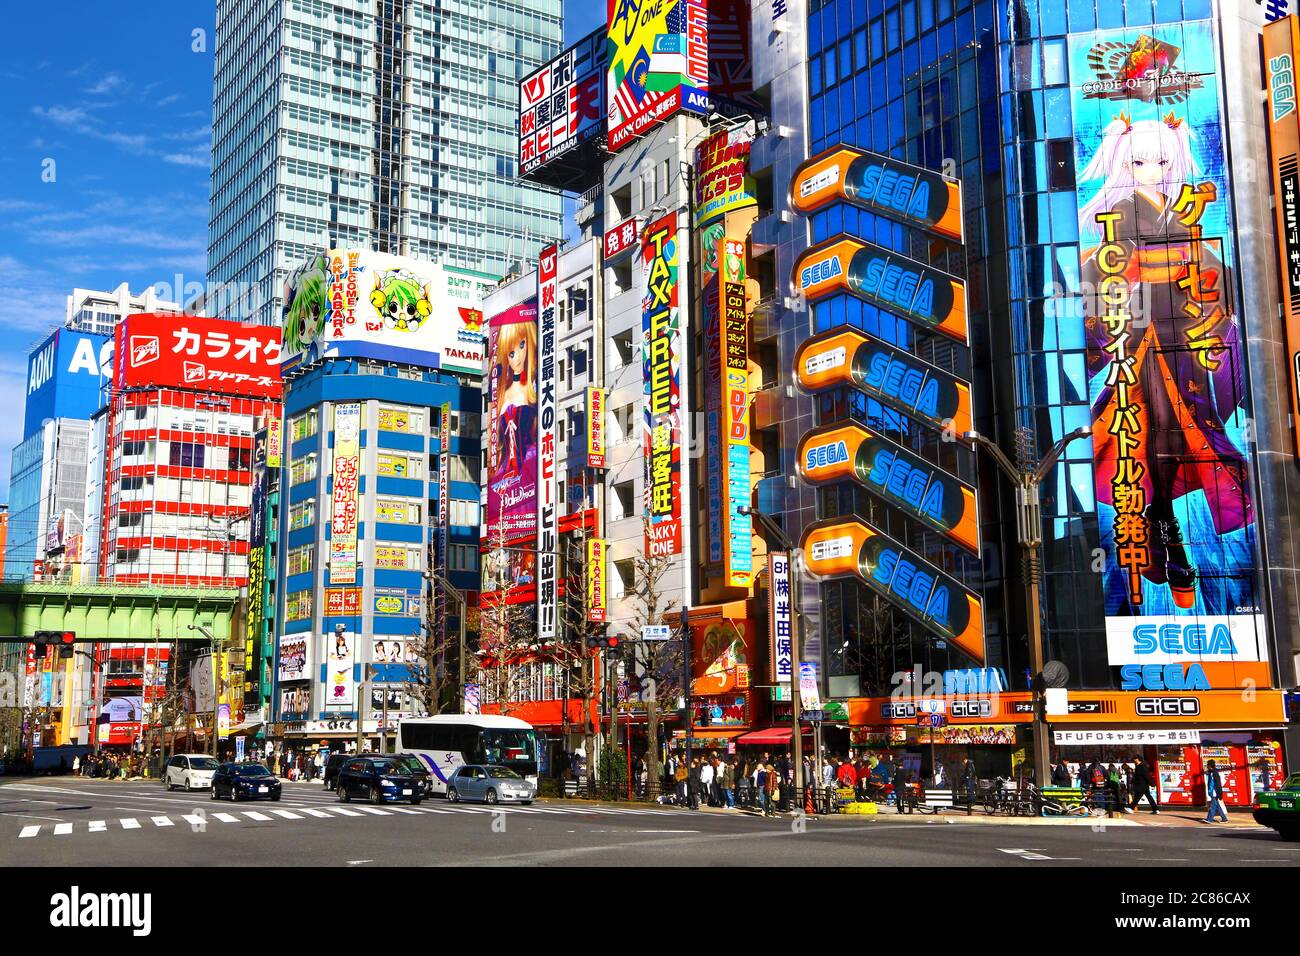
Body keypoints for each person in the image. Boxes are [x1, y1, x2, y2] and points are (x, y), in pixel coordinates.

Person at [1203, 759, 1229, 824]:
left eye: (1207, 765)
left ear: (1210, 765)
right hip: (1212, 791)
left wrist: (1219, 794)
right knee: (1217, 806)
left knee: (1213, 805)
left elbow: (1218, 783)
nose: (1207, 766)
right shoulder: (1212, 772)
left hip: (1214, 791)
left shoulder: (1214, 773)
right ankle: (1224, 819)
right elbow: (1207, 773)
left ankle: (1209, 819)